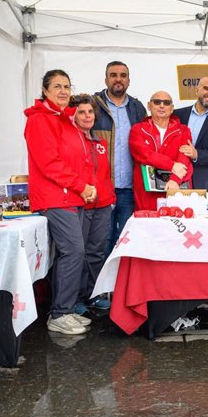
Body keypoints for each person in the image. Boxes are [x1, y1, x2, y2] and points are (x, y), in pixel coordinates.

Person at [24, 69, 93, 335]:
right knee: (74, 251)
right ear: (45, 90)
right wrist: (81, 186)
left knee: (72, 252)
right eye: (57, 86)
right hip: (54, 198)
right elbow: (50, 163)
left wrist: (83, 188)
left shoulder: (64, 119)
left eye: (67, 86)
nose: (63, 91)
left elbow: (75, 160)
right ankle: (60, 313)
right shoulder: (40, 120)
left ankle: (64, 309)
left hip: (69, 196)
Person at [93, 61, 147, 255]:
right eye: (113, 75)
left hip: (129, 188)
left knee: (125, 237)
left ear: (129, 80)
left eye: (123, 75)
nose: (118, 79)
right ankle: (101, 285)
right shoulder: (93, 105)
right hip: (102, 186)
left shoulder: (137, 108)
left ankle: (120, 283)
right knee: (102, 239)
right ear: (106, 79)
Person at [69, 94, 116, 315]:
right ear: (74, 116)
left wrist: (111, 197)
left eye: (90, 112)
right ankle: (76, 297)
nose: (87, 116)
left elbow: (105, 174)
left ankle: (93, 295)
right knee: (79, 252)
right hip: (80, 205)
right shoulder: (72, 141)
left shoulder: (100, 143)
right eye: (82, 112)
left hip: (103, 205)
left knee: (97, 251)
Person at [130, 91, 193, 211]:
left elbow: (184, 157)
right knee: (147, 227)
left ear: (172, 108)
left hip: (175, 188)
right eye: (157, 102)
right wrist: (172, 165)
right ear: (149, 106)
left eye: (166, 103)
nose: (162, 105)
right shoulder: (137, 129)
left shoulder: (184, 130)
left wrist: (175, 180)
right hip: (146, 193)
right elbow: (144, 154)